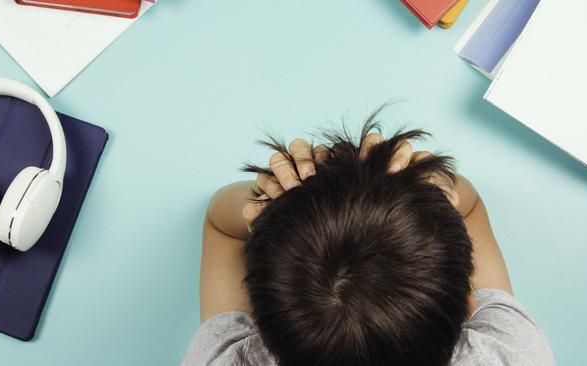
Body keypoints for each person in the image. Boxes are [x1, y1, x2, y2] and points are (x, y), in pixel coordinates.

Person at [182, 113, 555, 366]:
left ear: (259, 330)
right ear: (469, 306)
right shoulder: (510, 354)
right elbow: (469, 207)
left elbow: (221, 224)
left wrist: (265, 202)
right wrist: (439, 190)